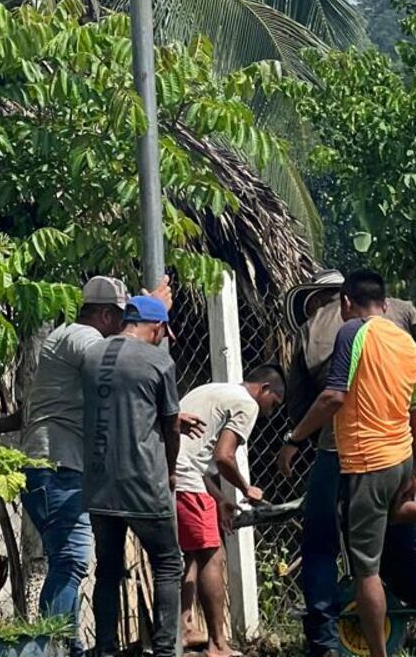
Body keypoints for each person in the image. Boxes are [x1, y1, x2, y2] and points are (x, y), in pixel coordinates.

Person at [283, 271, 416, 657]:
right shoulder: (404, 326)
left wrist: (295, 440)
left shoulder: (325, 330)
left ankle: (325, 644)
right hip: (400, 451)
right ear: (383, 302)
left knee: (326, 547)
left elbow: (313, 401)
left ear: (341, 300)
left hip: (347, 452)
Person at [19, 274, 197, 657]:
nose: (123, 323)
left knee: (89, 565)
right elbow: (126, 369)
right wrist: (153, 313)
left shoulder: (70, 337)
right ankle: (58, 649)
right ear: (102, 315)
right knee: (71, 561)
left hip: (67, 467)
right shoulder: (86, 341)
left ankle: (86, 648)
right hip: (60, 464)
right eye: (120, 315)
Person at [82, 294, 183, 657]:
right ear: (155, 326)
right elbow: (171, 425)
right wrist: (170, 471)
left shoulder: (91, 356)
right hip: (143, 480)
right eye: (162, 331)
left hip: (99, 483)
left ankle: (105, 649)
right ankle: (166, 650)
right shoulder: (158, 360)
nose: (162, 337)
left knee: (107, 569)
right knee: (168, 563)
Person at [176, 365, 287, 657]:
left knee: (191, 554)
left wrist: (218, 498)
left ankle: (183, 627)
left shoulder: (212, 390)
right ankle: (218, 645)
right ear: (263, 389)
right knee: (213, 555)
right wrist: (245, 488)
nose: (269, 413)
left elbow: (192, 452)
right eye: (273, 404)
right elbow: (223, 457)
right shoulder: (246, 404)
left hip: (169, 473)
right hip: (184, 476)